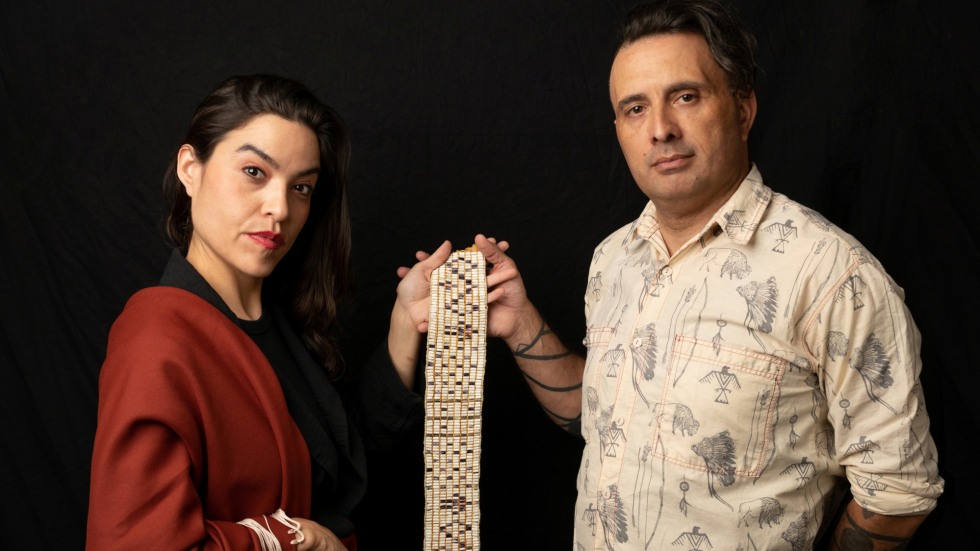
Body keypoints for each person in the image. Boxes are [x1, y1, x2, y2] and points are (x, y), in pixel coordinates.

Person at [468, 0, 944, 549]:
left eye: (685, 97)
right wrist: (519, 323)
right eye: (635, 109)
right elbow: (596, 419)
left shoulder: (833, 276)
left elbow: (897, 495)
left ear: (743, 109)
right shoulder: (613, 260)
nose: (661, 130)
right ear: (619, 128)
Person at [86, 74, 453, 550]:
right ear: (189, 169)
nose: (280, 208)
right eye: (254, 173)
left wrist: (407, 325)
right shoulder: (157, 338)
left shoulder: (278, 324)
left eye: (301, 188)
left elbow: (339, 469)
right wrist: (292, 538)